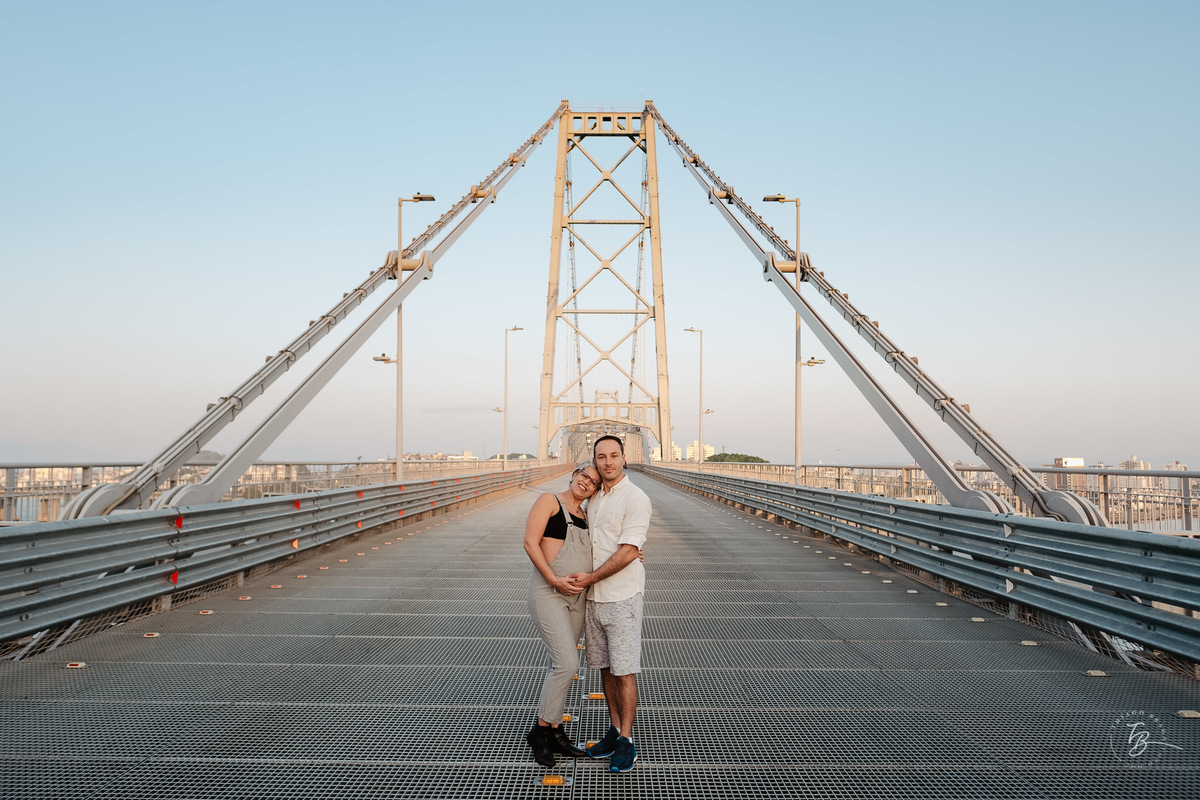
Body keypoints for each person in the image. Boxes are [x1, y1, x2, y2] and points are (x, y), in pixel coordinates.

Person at [568, 434, 651, 773]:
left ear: (624, 457)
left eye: (613, 455)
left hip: (622, 597)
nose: (608, 462)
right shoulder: (595, 497)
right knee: (604, 667)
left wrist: (590, 577)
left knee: (625, 671)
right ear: (595, 460)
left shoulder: (636, 498)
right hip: (594, 599)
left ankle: (628, 741)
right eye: (601, 457)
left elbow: (629, 550)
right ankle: (614, 730)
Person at [522, 464, 601, 766]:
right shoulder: (549, 501)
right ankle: (541, 732)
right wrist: (554, 580)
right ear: (574, 474)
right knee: (567, 663)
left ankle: (556, 731)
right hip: (549, 591)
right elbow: (530, 543)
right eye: (584, 475)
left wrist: (634, 550)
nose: (587, 482)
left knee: (562, 664)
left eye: (593, 482)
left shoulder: (587, 515)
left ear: (595, 490)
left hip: (577, 597)